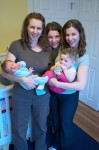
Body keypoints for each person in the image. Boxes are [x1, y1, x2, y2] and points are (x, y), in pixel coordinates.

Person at [1, 12, 52, 150]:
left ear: (42, 30)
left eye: (39, 28)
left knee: (41, 126)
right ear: (26, 27)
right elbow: (3, 71)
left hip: (42, 94)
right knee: (20, 127)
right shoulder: (16, 45)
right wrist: (22, 79)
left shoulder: (47, 49)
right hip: (21, 95)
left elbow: (50, 71)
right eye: (32, 27)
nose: (35, 31)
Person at [48, 19, 89, 150]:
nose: (70, 38)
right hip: (54, 93)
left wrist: (57, 83)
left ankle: (66, 147)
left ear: (80, 34)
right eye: (67, 34)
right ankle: (56, 144)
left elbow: (80, 85)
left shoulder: (83, 57)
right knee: (55, 121)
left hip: (69, 97)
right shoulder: (62, 50)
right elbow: (54, 69)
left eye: (73, 34)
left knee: (65, 123)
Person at [45, 22, 63, 148]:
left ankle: (59, 141)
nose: (53, 40)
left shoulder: (65, 50)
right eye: (50, 37)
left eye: (56, 36)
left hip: (63, 88)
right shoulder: (44, 49)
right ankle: (52, 139)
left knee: (62, 118)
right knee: (51, 116)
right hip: (48, 86)